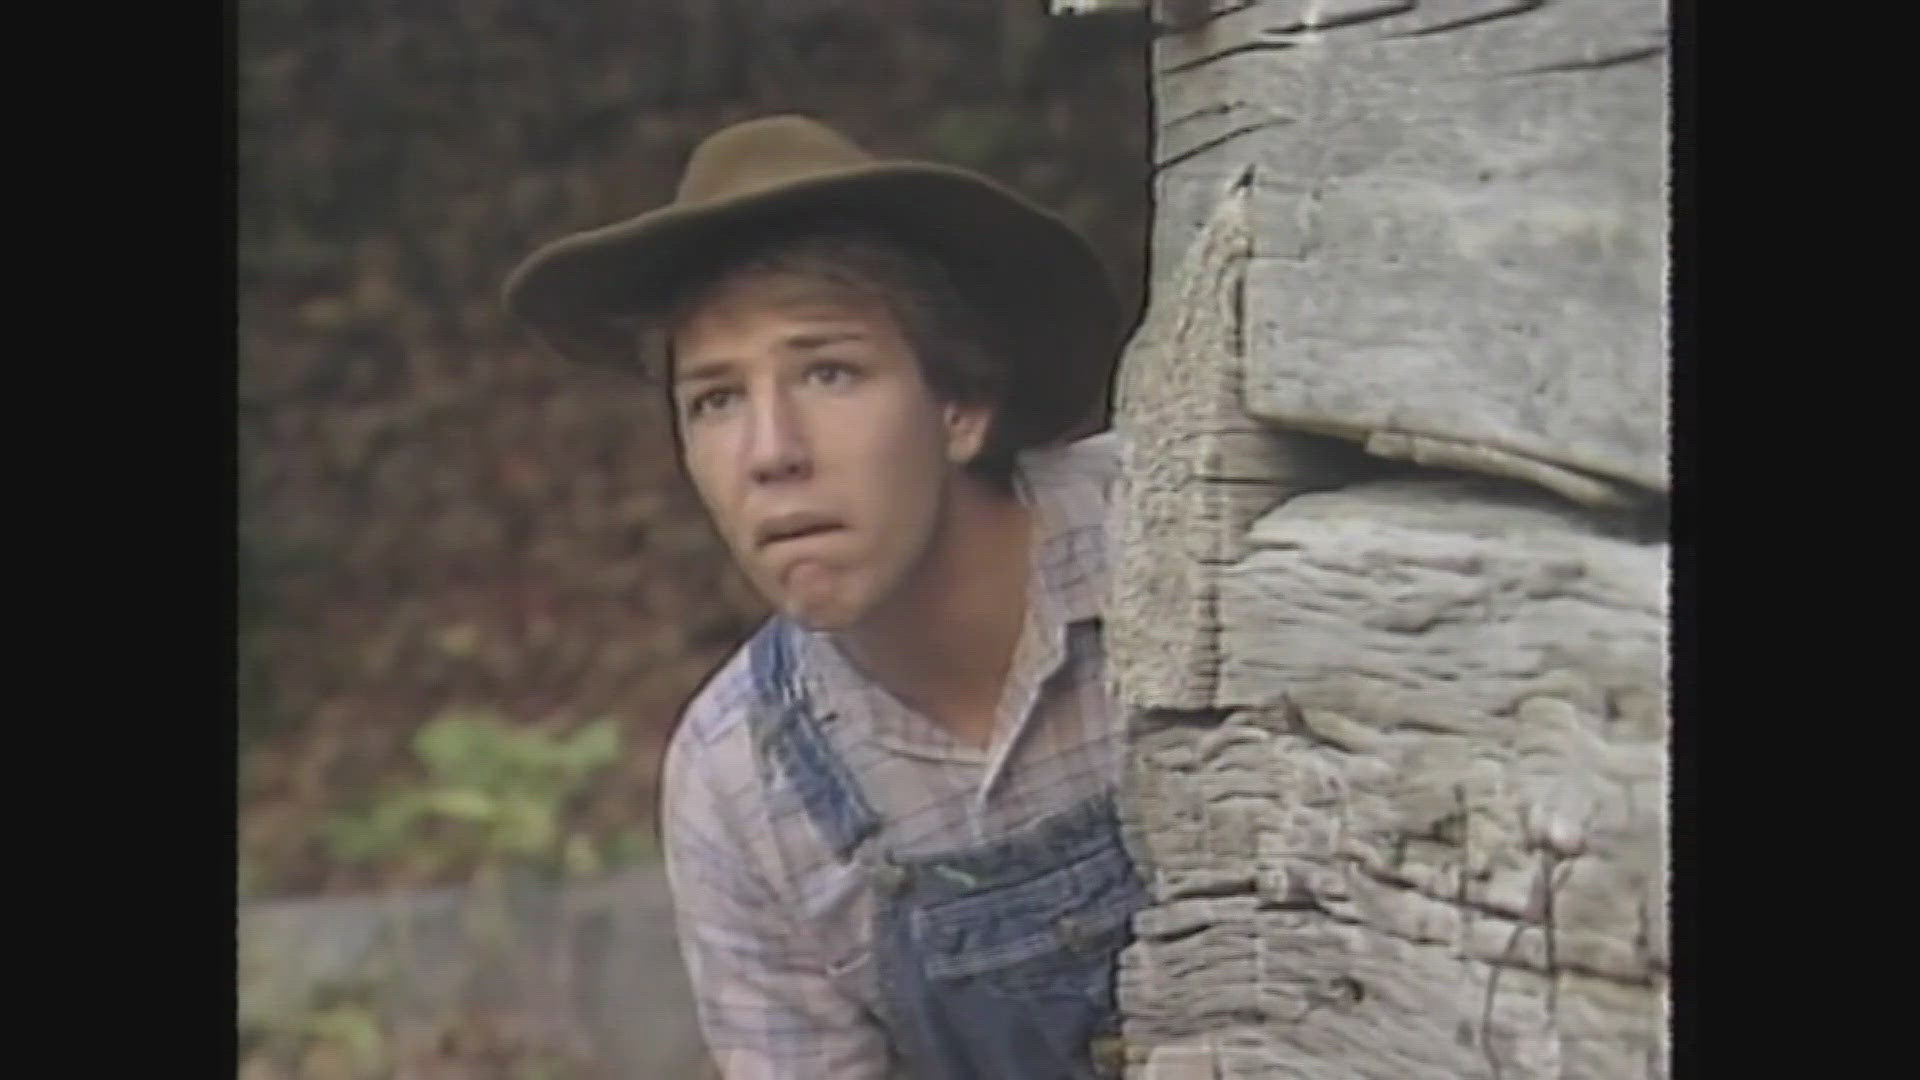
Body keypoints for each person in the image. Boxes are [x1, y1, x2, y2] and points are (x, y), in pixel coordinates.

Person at [504, 114, 1141, 1079]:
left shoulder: (1172, 539)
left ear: (959, 408)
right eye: (716, 400)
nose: (772, 453)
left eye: (829, 371)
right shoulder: (741, 781)